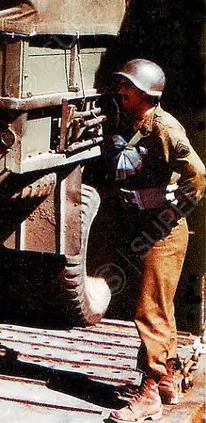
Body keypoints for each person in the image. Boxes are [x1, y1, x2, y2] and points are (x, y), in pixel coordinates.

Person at [105, 58, 205, 423]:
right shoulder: (134, 121)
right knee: (161, 307)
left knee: (150, 311)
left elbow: (198, 174)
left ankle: (148, 395)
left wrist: (172, 203)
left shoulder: (166, 128)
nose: (121, 90)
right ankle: (165, 382)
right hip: (147, 227)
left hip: (162, 231)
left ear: (145, 94)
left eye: (127, 87)